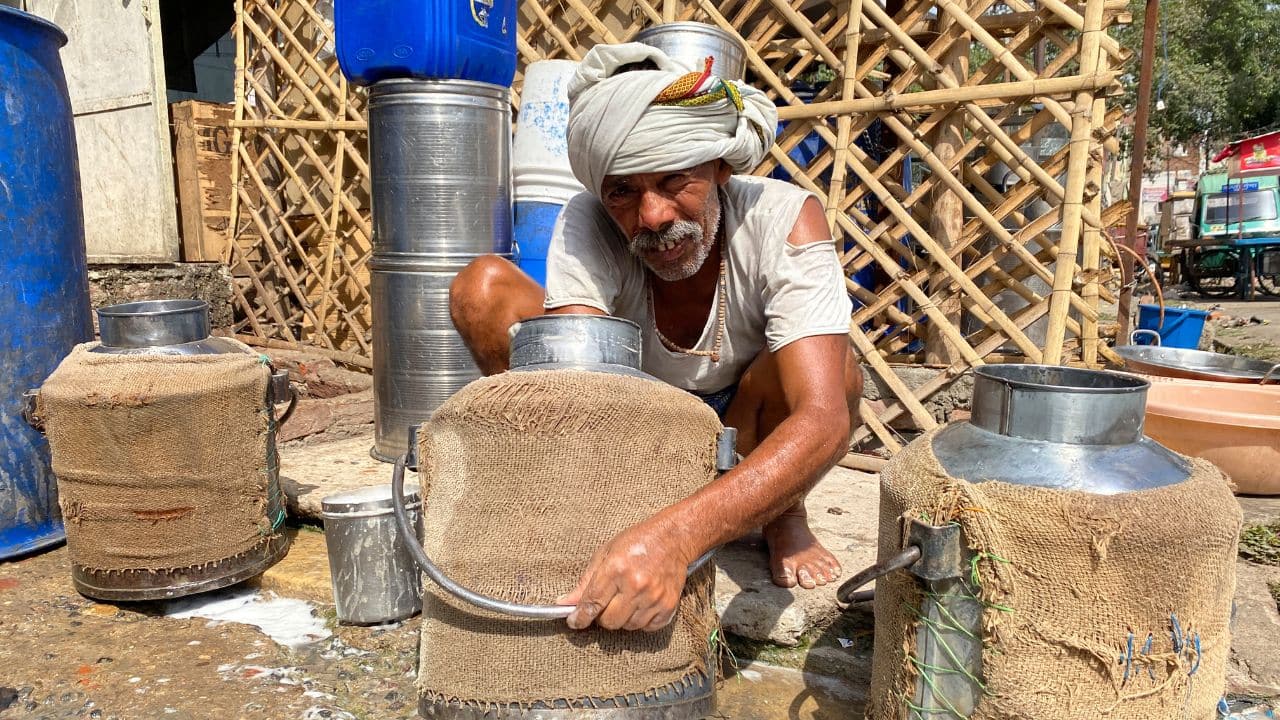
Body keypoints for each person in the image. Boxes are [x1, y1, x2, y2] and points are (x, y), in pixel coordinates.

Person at [449, 42, 863, 633]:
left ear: (721, 167)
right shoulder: (589, 221)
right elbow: (575, 398)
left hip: (741, 423)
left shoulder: (784, 216)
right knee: (483, 288)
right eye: (622, 191)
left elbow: (824, 420)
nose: (653, 217)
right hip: (633, 419)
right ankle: (589, 500)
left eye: (675, 181)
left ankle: (782, 514)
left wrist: (674, 539)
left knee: (835, 376)